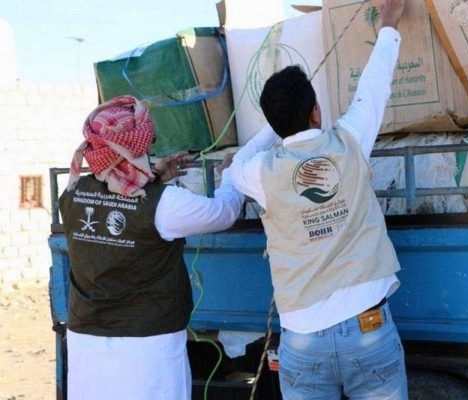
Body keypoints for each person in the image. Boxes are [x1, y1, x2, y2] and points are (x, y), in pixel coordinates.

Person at [228, 0, 408, 398]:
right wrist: (389, 22)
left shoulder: (260, 172)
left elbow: (236, 160)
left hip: (302, 341)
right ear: (316, 112)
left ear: (275, 125)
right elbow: (374, 87)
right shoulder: (350, 141)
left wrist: (274, 128)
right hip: (368, 329)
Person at [59, 94, 244, 400]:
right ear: (137, 146)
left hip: (85, 341)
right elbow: (223, 213)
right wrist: (231, 177)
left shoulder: (72, 193)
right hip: (147, 347)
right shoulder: (165, 204)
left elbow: (116, 193)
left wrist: (153, 175)